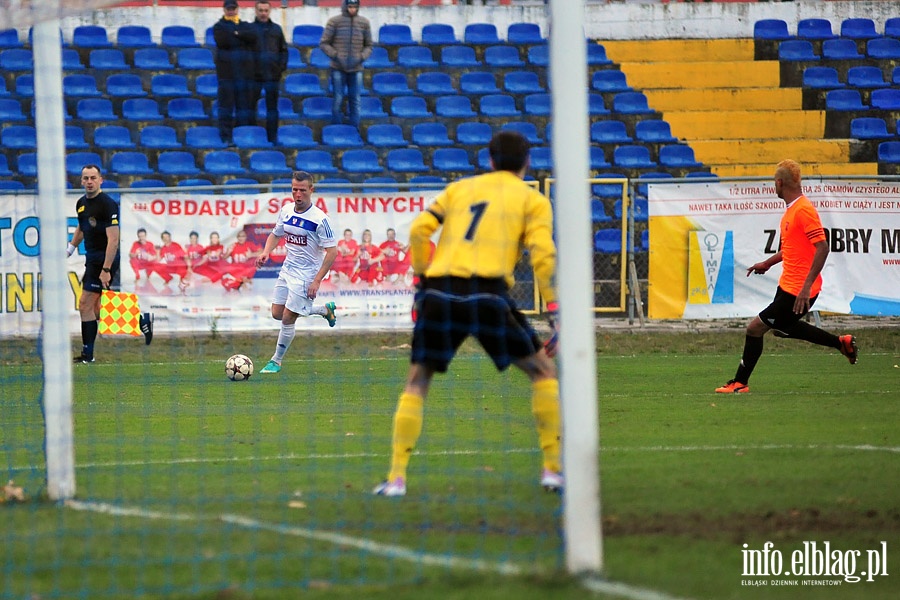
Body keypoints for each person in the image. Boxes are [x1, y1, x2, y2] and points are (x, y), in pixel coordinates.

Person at [372, 131, 562, 497]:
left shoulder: (460, 190)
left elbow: (418, 229)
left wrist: (420, 283)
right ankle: (552, 470)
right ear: (527, 162)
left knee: (417, 381)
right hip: (487, 295)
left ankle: (396, 478)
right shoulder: (533, 200)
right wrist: (554, 310)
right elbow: (543, 254)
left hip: (440, 292)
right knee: (542, 372)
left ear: (489, 160)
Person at [715, 159, 858, 394]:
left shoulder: (804, 211)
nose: (774, 186)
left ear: (779, 183)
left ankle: (739, 383)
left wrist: (806, 286)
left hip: (798, 291)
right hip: (787, 286)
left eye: (774, 182)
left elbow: (822, 247)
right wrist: (767, 263)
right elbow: (791, 248)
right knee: (782, 328)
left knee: (754, 329)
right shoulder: (792, 211)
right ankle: (840, 343)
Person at [255, 171, 339, 374]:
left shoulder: (320, 220)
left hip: (308, 274)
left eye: (302, 190)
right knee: (277, 313)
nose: (298, 194)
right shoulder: (286, 211)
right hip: (288, 269)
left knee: (287, 318)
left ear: (311, 190)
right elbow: (276, 234)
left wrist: (317, 280)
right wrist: (266, 252)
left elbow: (333, 252)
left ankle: (276, 361)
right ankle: (324, 310)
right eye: (294, 190)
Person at [67, 165, 152, 363]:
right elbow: (82, 226)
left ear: (100, 180)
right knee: (94, 309)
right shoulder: (81, 204)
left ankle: (88, 355)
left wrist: (106, 269)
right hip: (92, 259)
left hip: (105, 260)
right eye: (85, 178)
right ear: (81, 181)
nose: (89, 181)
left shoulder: (108, 204)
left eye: (93, 178)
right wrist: (71, 247)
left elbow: (113, 239)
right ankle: (141, 320)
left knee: (84, 303)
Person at [319, 0, 372, 128]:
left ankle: (355, 128)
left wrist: (361, 57)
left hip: (357, 67)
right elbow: (324, 43)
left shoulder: (364, 23)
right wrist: (335, 55)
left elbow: (369, 45)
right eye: (350, 6)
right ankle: (337, 127)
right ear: (345, 6)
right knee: (338, 98)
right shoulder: (334, 21)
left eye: (355, 7)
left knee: (355, 99)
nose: (352, 9)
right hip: (337, 67)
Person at [213, 0, 258, 145]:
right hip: (226, 75)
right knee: (226, 107)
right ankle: (226, 136)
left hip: (244, 75)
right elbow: (223, 41)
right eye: (228, 9)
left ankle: (242, 136)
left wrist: (235, 33)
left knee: (243, 107)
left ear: (237, 9)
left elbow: (253, 36)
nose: (231, 11)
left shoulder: (246, 26)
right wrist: (240, 36)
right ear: (224, 10)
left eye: (233, 8)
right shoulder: (219, 27)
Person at [250, 0, 288, 144]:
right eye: (261, 10)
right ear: (256, 11)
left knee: (272, 108)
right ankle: (253, 137)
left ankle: (272, 137)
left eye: (266, 10)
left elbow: (283, 50)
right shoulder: (249, 29)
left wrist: (280, 68)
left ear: (270, 11)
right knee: (250, 106)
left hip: (272, 75)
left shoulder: (277, 29)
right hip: (254, 75)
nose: (263, 13)